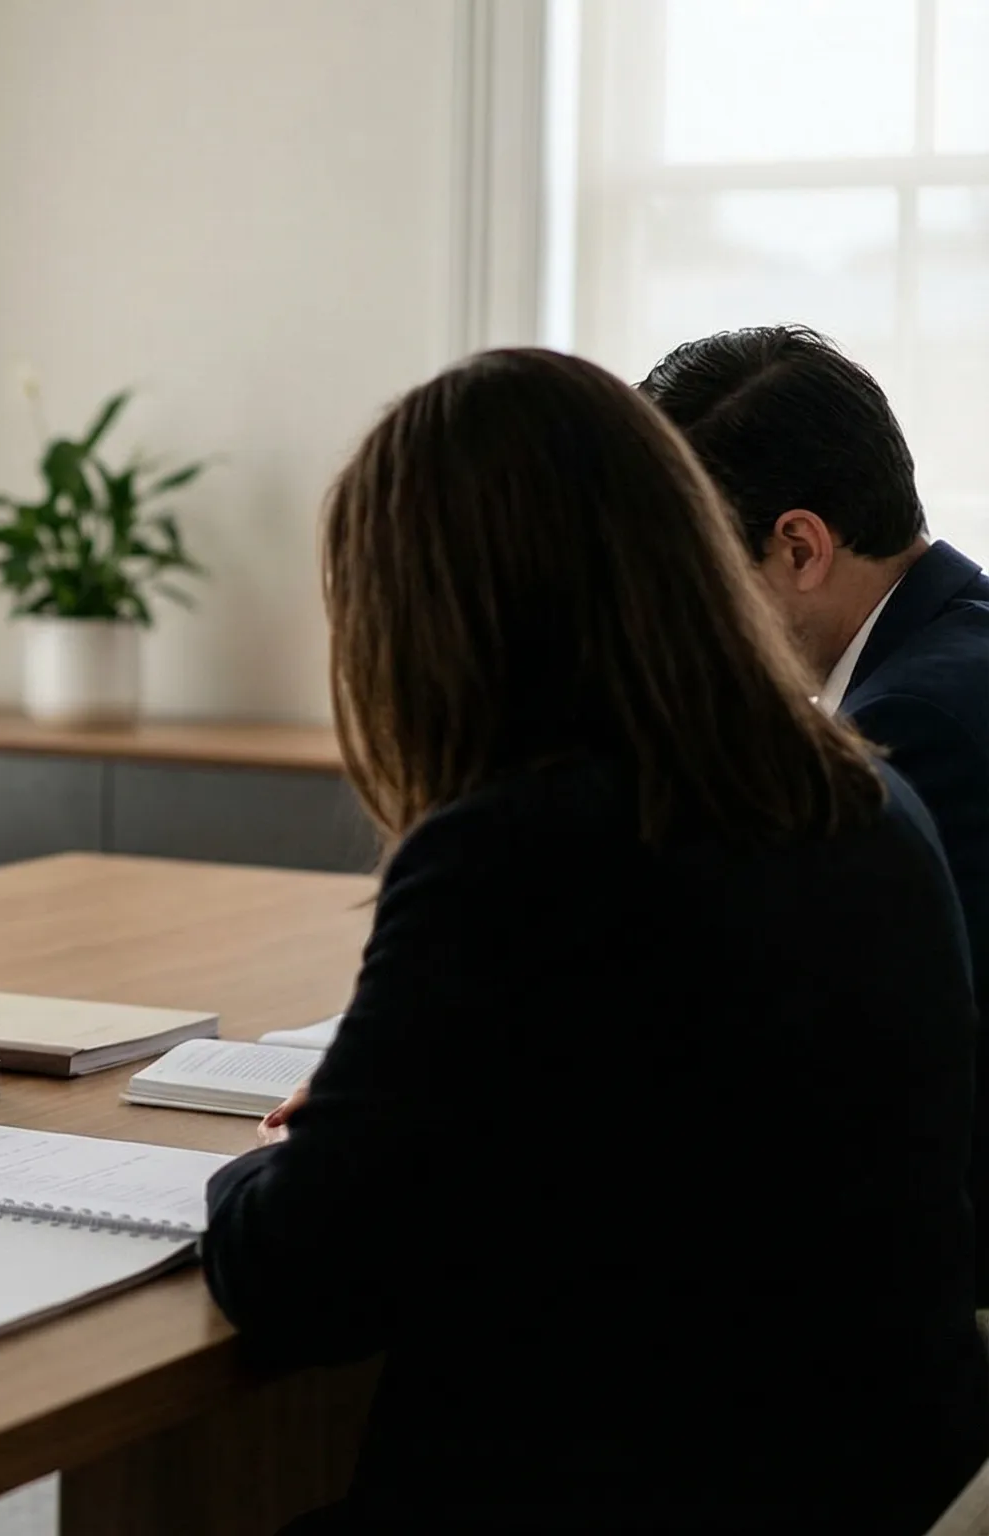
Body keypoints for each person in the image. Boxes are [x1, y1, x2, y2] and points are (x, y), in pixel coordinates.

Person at [204, 348, 987, 1535]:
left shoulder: (510, 846)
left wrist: (275, 1162)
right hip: (871, 1478)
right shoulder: (860, 790)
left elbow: (300, 1279)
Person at [639, 326, 989, 1006]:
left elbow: (903, 1046)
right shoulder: (954, 648)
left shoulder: (913, 725)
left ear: (800, 548)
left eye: (690, 578)